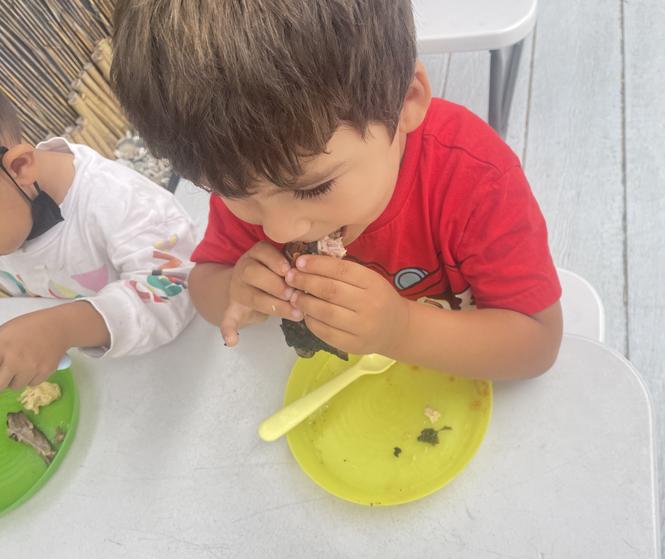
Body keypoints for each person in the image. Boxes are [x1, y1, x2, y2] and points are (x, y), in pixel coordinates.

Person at [111, 0, 562, 380]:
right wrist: (236, 289)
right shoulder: (252, 170)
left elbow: (537, 342)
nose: (280, 228)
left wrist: (401, 330)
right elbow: (205, 285)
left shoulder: (474, 179)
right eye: (233, 193)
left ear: (406, 101)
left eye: (315, 188)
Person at [0, 92, 197, 389]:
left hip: (188, 371)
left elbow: (179, 288)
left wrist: (61, 328)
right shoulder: (12, 217)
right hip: (109, 387)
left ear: (18, 168)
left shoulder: (115, 198)